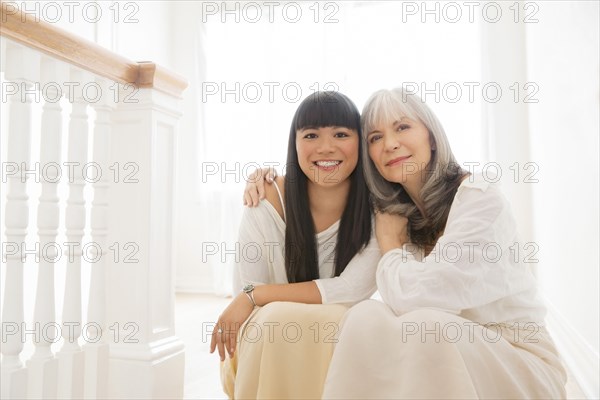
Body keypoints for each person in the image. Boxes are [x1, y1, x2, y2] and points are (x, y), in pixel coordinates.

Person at [319, 88, 567, 399]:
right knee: (365, 317)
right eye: (375, 137)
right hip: (446, 349)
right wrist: (270, 186)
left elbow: (426, 296)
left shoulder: (479, 198)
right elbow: (351, 283)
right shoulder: (392, 215)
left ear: (432, 137)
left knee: (426, 325)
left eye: (402, 127)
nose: (390, 144)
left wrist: (392, 248)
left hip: (518, 359)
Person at [210, 91, 380, 399]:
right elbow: (247, 302)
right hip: (269, 340)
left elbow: (353, 288)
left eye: (341, 134)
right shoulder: (265, 200)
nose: (326, 147)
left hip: (336, 344)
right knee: (279, 321)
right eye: (311, 134)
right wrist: (251, 297)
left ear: (361, 142)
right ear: (295, 143)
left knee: (341, 322)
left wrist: (255, 295)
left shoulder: (378, 208)